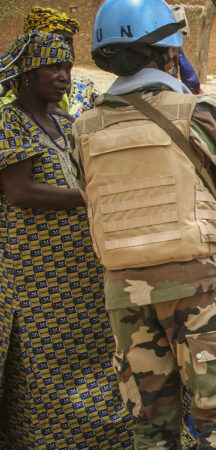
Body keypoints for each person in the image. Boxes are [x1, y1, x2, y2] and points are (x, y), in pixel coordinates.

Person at [73, 0, 216, 447]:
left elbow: (88, 195)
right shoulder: (198, 112)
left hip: (124, 293)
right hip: (193, 287)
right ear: (170, 53)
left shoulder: (83, 127)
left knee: (151, 425)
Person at [0, 30, 134, 448]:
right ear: (26, 74)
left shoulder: (66, 121)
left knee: (93, 352)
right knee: (44, 364)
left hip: (82, 270)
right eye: (52, 67)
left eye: (67, 68)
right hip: (34, 274)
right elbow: (19, 192)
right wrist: (89, 197)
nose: (63, 76)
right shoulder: (9, 122)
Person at [0, 7, 99, 120]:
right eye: (53, 41)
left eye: (67, 41)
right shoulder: (8, 100)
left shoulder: (87, 91)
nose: (62, 47)